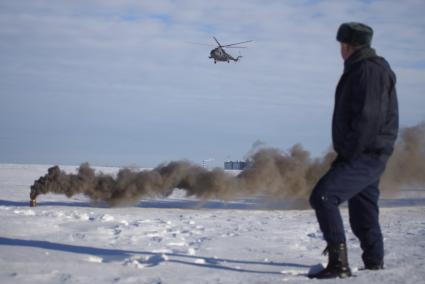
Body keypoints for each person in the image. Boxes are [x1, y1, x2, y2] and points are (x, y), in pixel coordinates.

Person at [308, 22, 399, 279]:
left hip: (365, 154)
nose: (340, 51)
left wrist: (348, 153)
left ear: (346, 46)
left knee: (324, 196)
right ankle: (375, 266)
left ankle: (339, 265)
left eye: (341, 46)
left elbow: (368, 118)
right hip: (370, 153)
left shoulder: (368, 71)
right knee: (363, 212)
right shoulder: (365, 68)